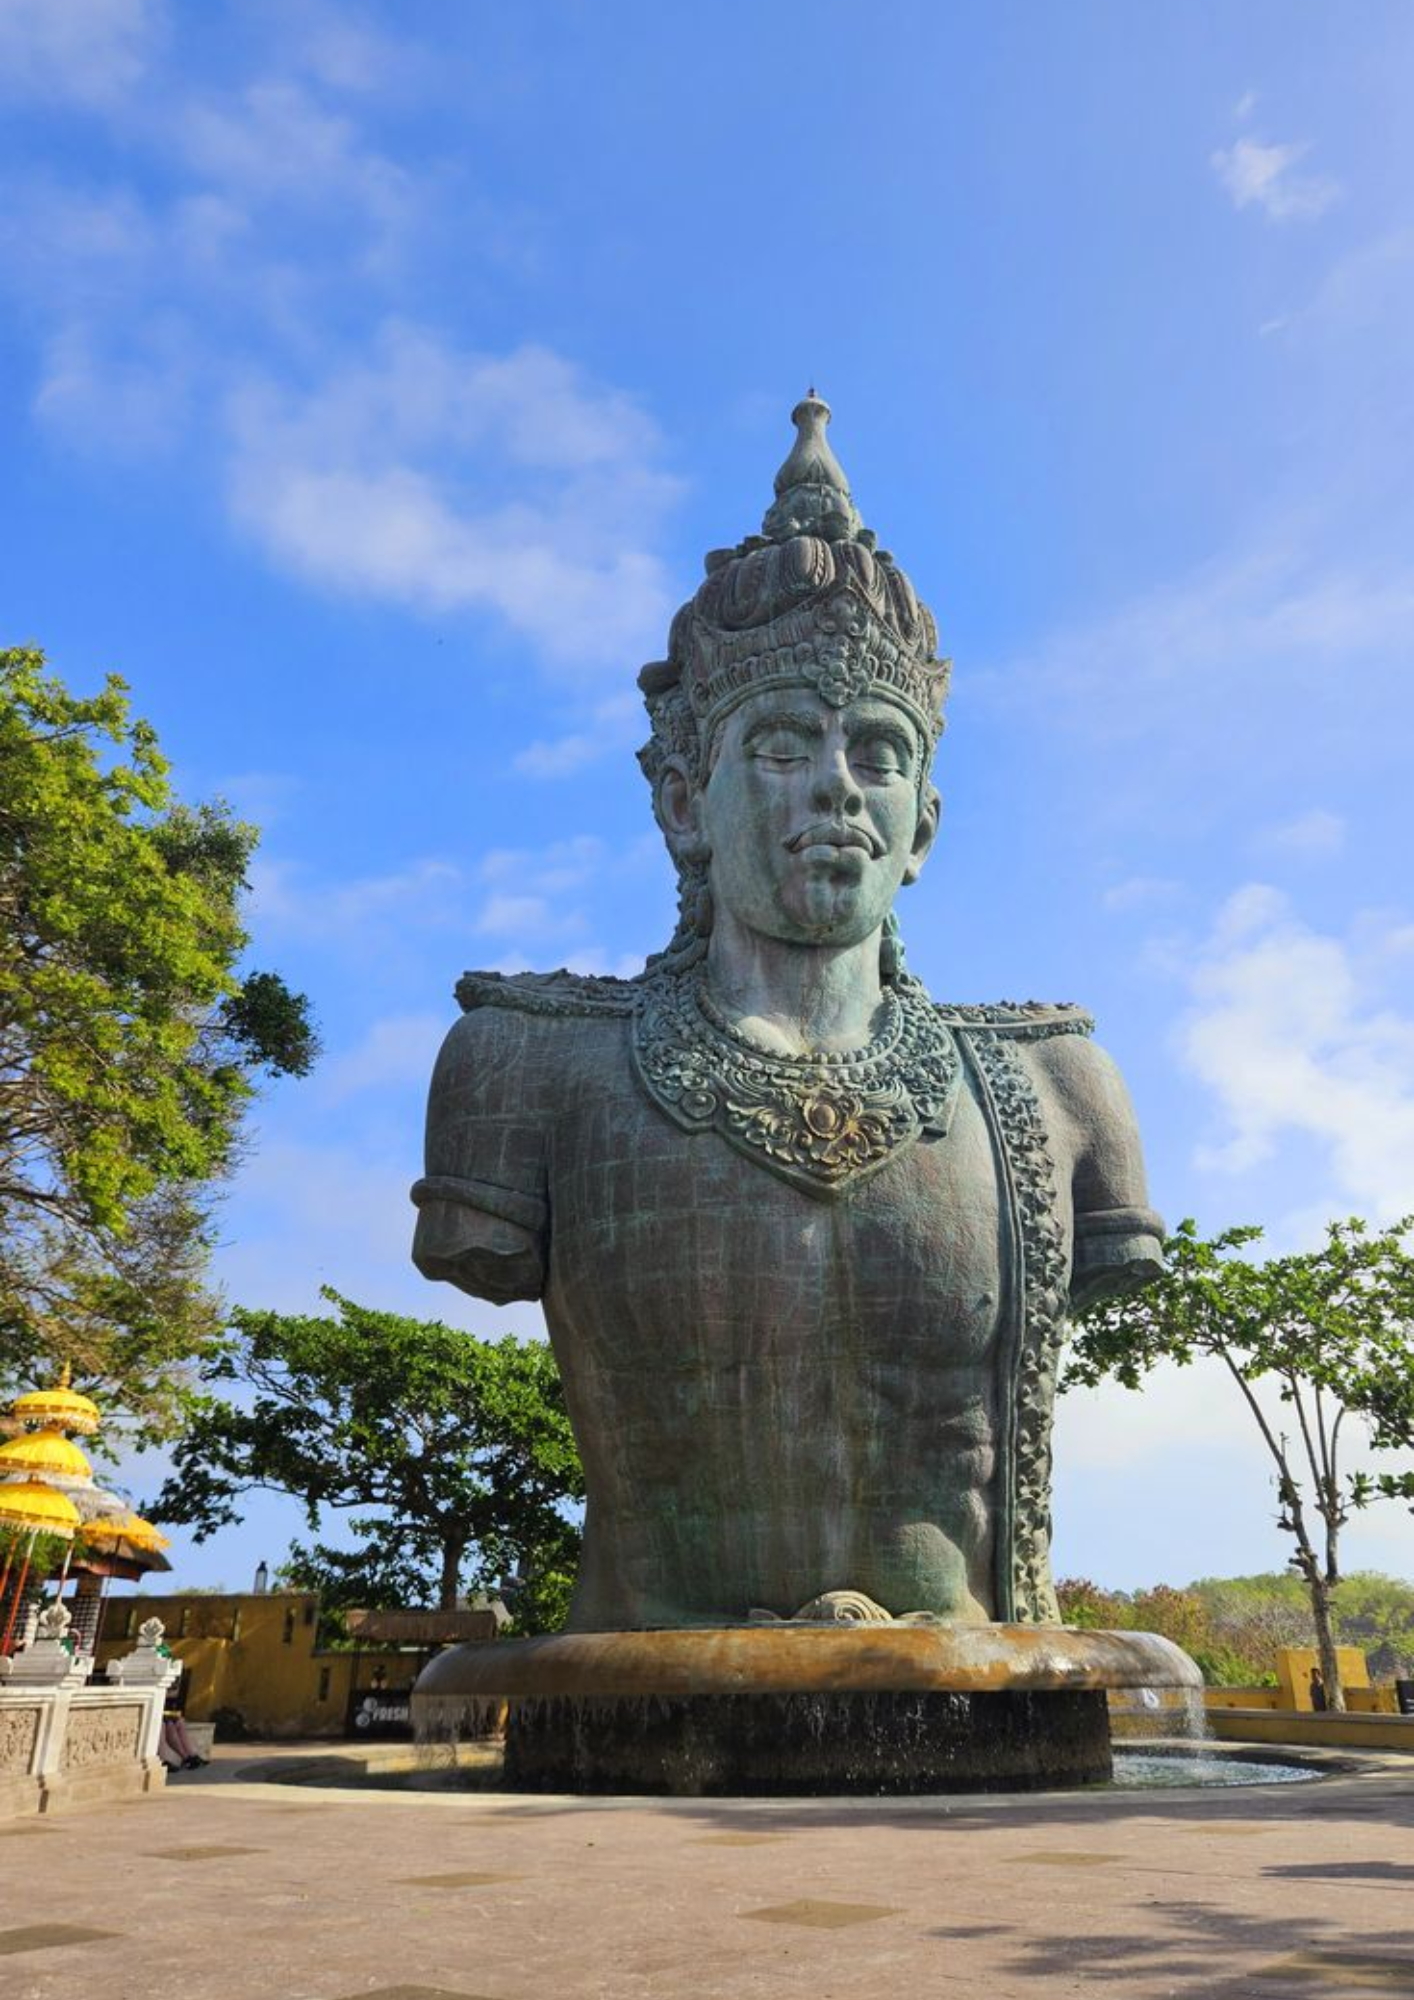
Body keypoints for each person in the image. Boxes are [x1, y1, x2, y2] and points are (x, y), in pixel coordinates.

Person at [412, 397, 1163, 1634]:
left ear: (921, 822)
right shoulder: (523, 1067)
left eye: (876, 750)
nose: (835, 784)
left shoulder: (1056, 1087)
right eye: (778, 744)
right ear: (678, 801)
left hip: (972, 1697)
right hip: (639, 1705)